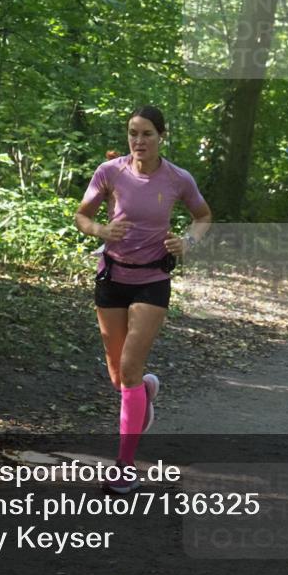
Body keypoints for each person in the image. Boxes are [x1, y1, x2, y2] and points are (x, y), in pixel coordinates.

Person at [74, 106, 212, 494]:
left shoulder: (177, 179)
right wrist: (102, 229)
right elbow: (81, 216)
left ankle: (124, 466)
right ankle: (144, 392)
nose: (139, 141)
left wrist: (188, 242)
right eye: (133, 133)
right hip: (112, 275)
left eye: (147, 134)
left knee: (130, 368)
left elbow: (203, 216)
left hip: (153, 279)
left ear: (161, 136)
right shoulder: (110, 172)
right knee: (119, 377)